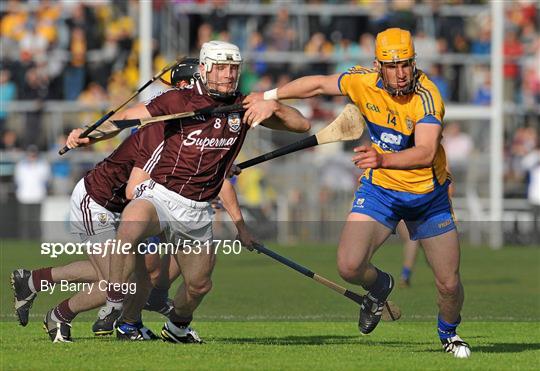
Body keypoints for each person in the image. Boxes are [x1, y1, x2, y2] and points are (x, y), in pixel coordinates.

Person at [245, 28, 470, 358]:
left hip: (427, 196)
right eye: (392, 66)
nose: (401, 72)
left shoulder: (427, 96)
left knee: (448, 283)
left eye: (406, 64)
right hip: (381, 190)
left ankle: (449, 333)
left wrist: (383, 158)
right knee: (349, 267)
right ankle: (379, 287)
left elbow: (424, 151)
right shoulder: (361, 81)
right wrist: (269, 96)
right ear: (378, 66)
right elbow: (319, 84)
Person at [67, 41, 310, 344]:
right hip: (161, 195)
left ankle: (178, 327)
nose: (228, 75)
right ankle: (116, 299)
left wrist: (272, 104)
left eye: (234, 68)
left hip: (196, 210)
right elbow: (126, 119)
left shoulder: (246, 105)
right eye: (221, 68)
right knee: (129, 228)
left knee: (199, 285)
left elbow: (302, 125)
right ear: (205, 69)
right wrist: (88, 133)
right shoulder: (178, 100)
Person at [10, 60, 200, 342]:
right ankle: (59, 315)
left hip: (119, 207)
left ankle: (34, 281)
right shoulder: (159, 132)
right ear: (186, 87)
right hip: (97, 201)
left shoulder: (182, 129)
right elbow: (133, 189)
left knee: (137, 275)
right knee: (117, 282)